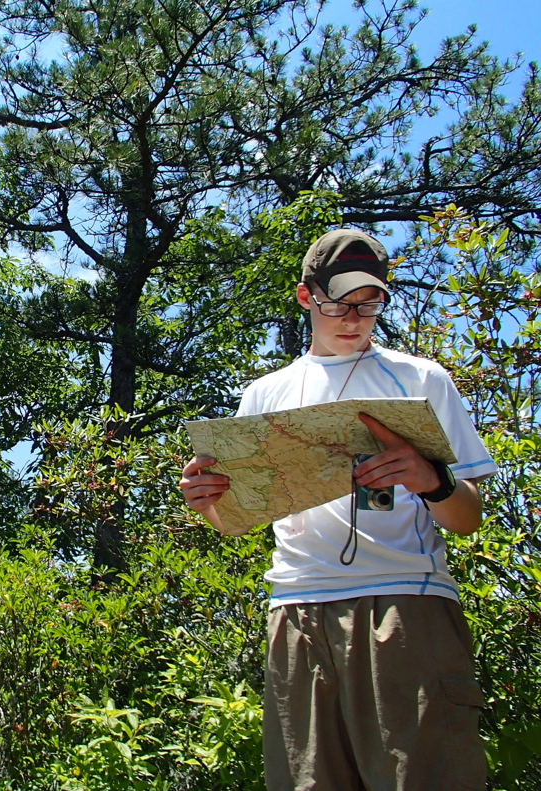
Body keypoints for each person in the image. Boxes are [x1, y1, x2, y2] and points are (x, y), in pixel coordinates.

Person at [179, 229, 495, 791]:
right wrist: (207, 503)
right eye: (339, 303)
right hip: (296, 609)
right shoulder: (266, 394)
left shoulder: (420, 380)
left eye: (369, 303)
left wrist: (431, 481)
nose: (353, 318)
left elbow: (468, 518)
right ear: (306, 298)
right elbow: (236, 520)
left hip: (405, 606)